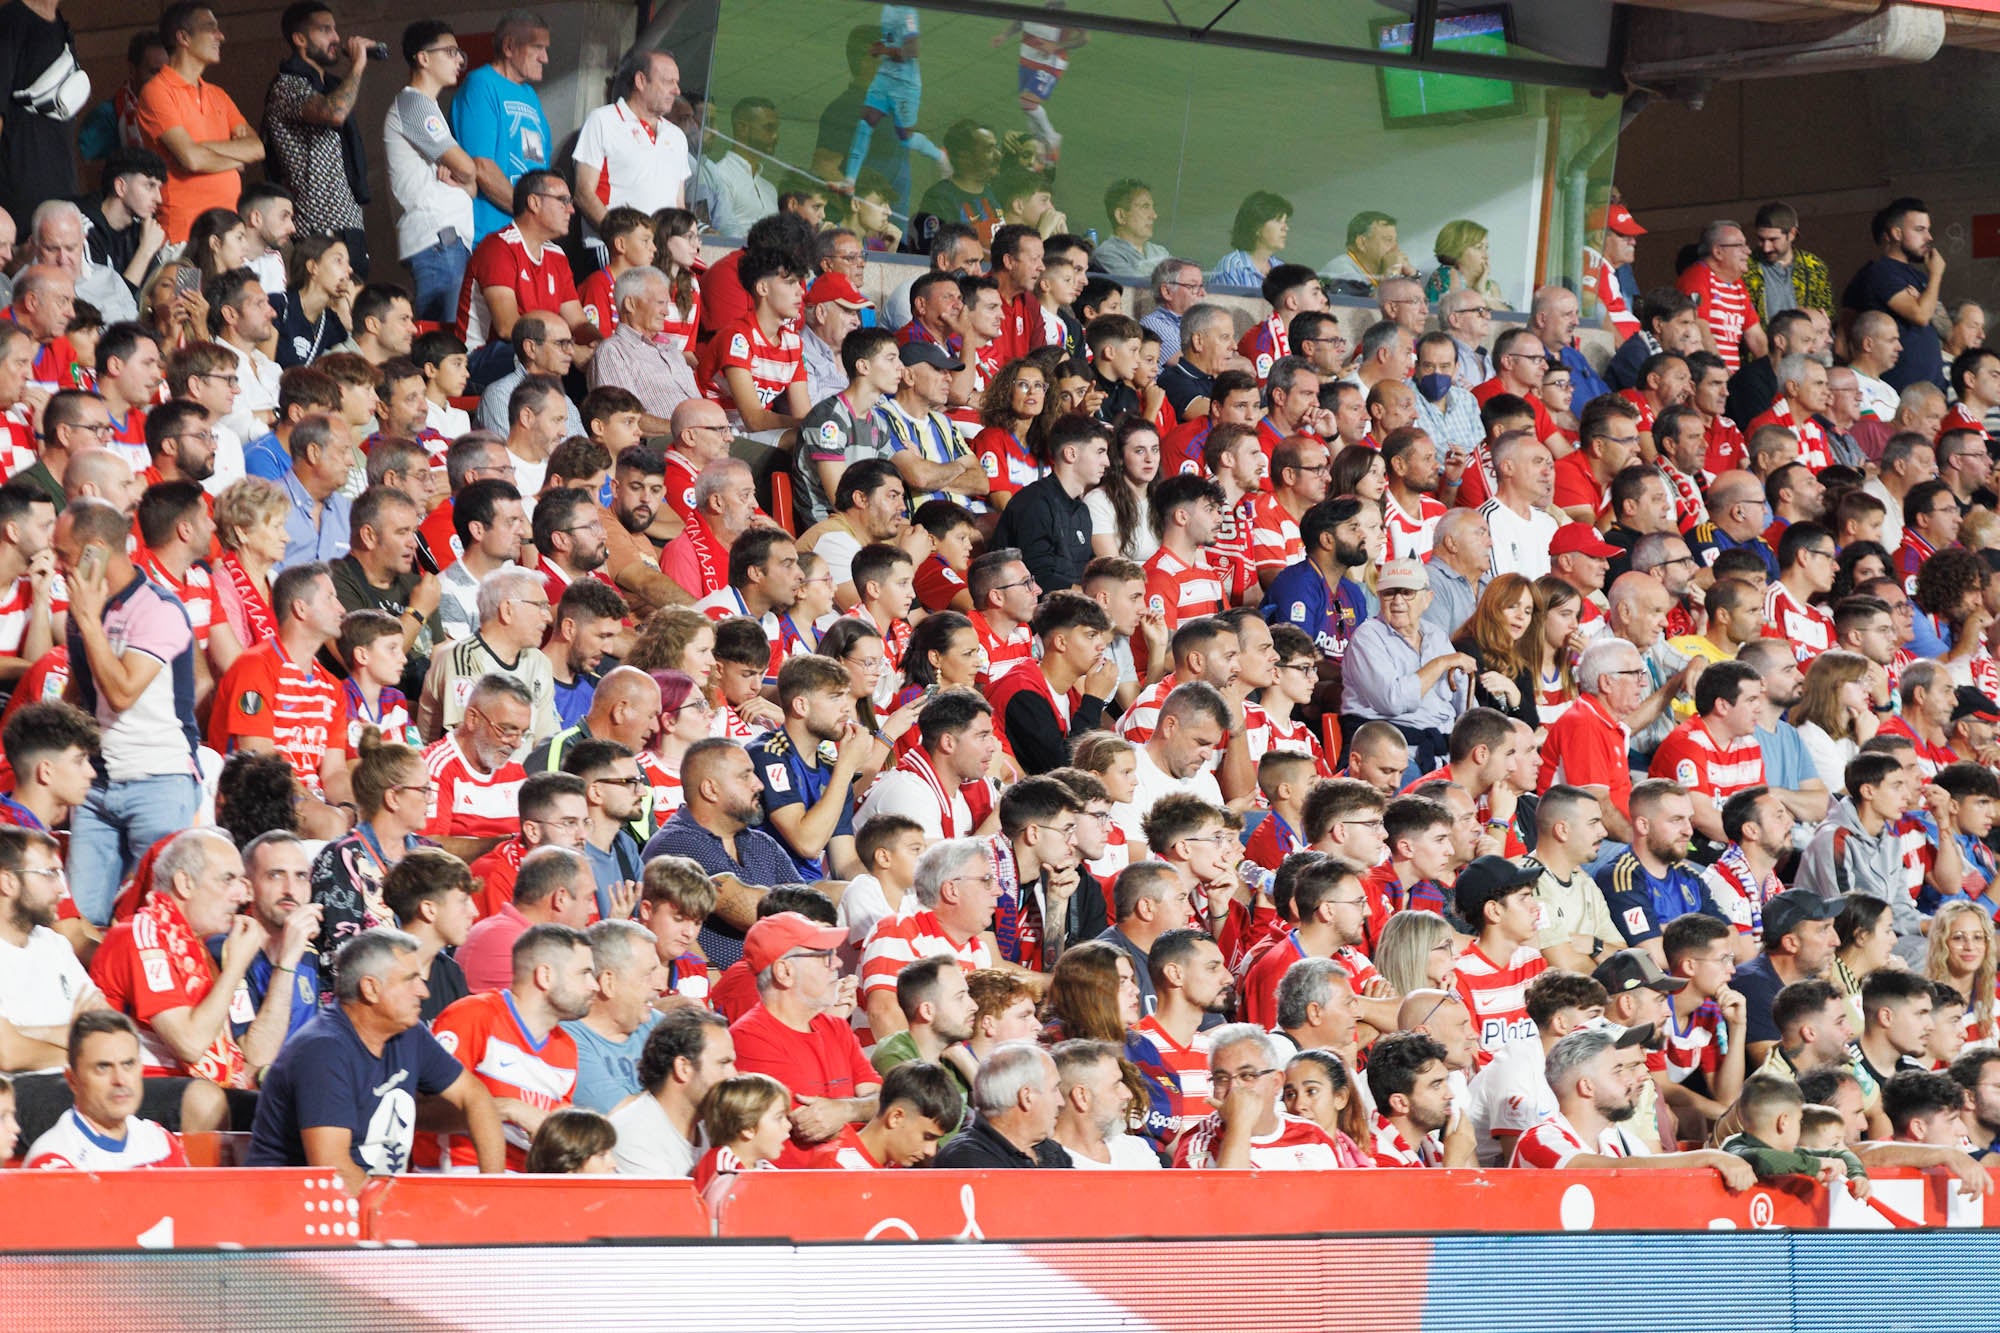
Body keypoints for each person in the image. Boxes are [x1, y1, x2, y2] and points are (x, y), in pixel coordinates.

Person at [55, 499, 202, 925]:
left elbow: (121, 693)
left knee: (155, 922)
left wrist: (87, 621)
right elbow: (82, 693)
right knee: (78, 921)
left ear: (94, 550)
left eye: (64, 553)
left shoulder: (160, 609)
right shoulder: (83, 612)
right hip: (96, 786)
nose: (58, 565)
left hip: (159, 781)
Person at [133, 5, 262, 244]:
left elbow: (257, 148)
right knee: (187, 283)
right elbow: (192, 159)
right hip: (184, 238)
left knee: (229, 284)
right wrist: (236, 160)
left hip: (228, 235)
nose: (220, 35)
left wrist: (201, 148)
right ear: (183, 37)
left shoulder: (218, 94)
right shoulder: (157, 91)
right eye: (210, 28)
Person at [262, 3, 376, 273]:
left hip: (349, 219)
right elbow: (334, 112)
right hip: (316, 223)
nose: (336, 38)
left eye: (335, 29)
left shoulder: (332, 85)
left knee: (353, 307)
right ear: (299, 39)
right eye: (325, 30)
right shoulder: (288, 85)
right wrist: (358, 65)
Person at [1341, 559, 1473, 773]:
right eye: (1389, 593)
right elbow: (1393, 701)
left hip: (1443, 754)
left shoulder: (1436, 636)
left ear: (1427, 599)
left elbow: (1466, 705)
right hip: (1389, 758)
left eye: (1407, 592)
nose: (1398, 601)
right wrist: (1441, 663)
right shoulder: (1368, 636)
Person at [1843, 197, 1945, 393]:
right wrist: (1936, 274)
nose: (1929, 237)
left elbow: (1944, 328)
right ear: (1896, 233)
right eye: (1919, 230)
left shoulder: (1918, 276)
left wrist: (1924, 298)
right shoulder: (1881, 272)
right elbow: (1921, 315)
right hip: (1899, 390)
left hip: (1932, 389)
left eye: (1928, 229)